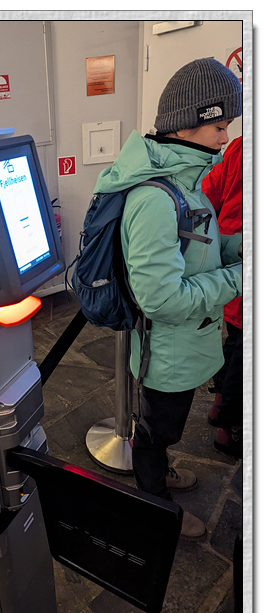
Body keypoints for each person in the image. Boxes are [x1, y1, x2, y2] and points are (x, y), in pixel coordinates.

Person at [92, 58, 243, 540]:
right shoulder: (156, 198)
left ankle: (158, 475)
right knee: (157, 432)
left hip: (186, 346)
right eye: (219, 126)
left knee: (165, 428)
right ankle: (155, 504)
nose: (225, 138)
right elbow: (162, 299)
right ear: (186, 124)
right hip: (168, 354)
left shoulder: (186, 183)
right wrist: (241, 277)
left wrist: (238, 249)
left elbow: (198, 251)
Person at [201, 136, 243, 458]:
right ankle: (228, 427)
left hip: (231, 265)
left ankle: (219, 406)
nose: (223, 135)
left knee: (234, 343)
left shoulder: (241, 145)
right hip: (239, 263)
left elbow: (207, 195)